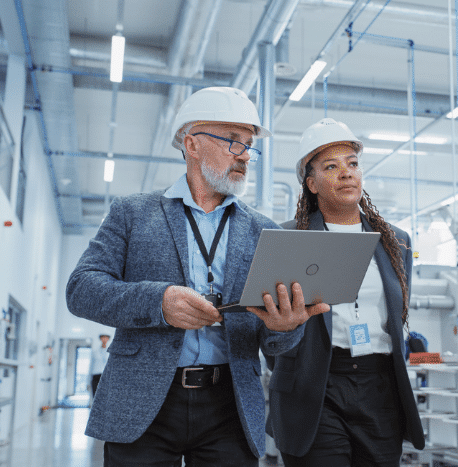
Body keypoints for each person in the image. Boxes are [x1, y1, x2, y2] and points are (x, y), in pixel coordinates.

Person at [66, 86, 329, 467]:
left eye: (249, 146)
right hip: (143, 400)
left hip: (231, 405)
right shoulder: (133, 213)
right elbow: (81, 289)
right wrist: (159, 302)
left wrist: (285, 327)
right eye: (233, 142)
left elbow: (274, 346)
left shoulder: (264, 231)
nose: (245, 157)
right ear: (192, 144)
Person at [265, 118, 425, 466]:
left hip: (379, 386)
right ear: (311, 183)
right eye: (331, 166)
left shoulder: (396, 241)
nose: (346, 173)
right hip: (314, 387)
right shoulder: (287, 238)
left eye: (352, 164)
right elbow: (269, 324)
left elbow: (399, 314)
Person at [89, 334, 110, 398]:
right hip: (96, 376)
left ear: (108, 339)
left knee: (105, 397)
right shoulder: (95, 352)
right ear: (100, 339)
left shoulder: (110, 353)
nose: (104, 339)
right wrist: (88, 382)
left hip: (106, 376)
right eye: (103, 338)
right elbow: (90, 366)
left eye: (106, 338)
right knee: (95, 396)